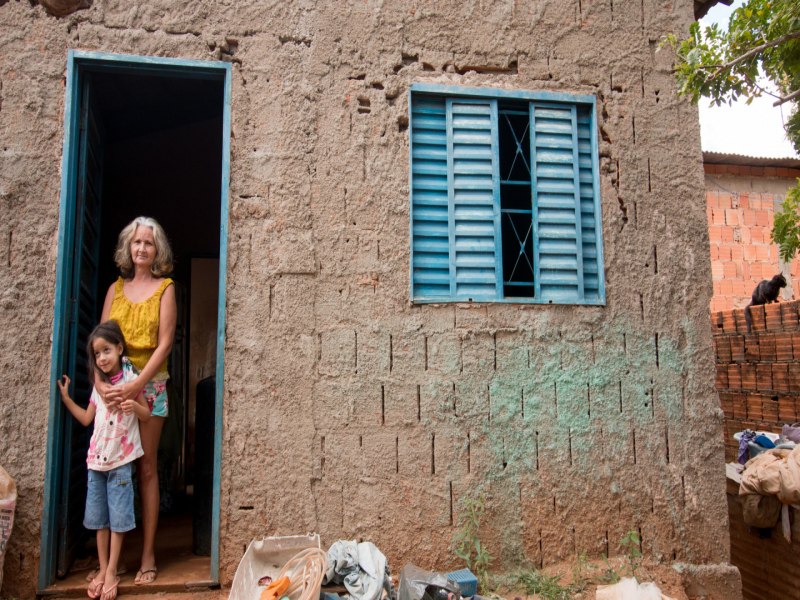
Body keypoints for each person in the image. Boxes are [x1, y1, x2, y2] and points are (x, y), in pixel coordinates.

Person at [97, 216, 177, 586]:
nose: (142, 249)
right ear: (128, 249)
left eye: (148, 243)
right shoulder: (115, 290)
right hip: (114, 389)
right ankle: (117, 558)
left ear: (156, 249)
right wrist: (101, 386)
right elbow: (99, 342)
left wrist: (136, 386)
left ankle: (147, 553)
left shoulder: (166, 288)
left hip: (150, 387)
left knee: (145, 468)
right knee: (116, 469)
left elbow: (164, 344)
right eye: (136, 243)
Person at [57, 321, 151, 600]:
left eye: (106, 350)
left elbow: (146, 414)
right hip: (95, 463)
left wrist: (134, 405)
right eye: (97, 354)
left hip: (120, 462)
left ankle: (111, 571)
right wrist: (65, 398)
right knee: (100, 522)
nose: (102, 358)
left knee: (119, 520)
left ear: (120, 348)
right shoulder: (99, 388)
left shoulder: (130, 381)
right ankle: (101, 567)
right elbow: (87, 418)